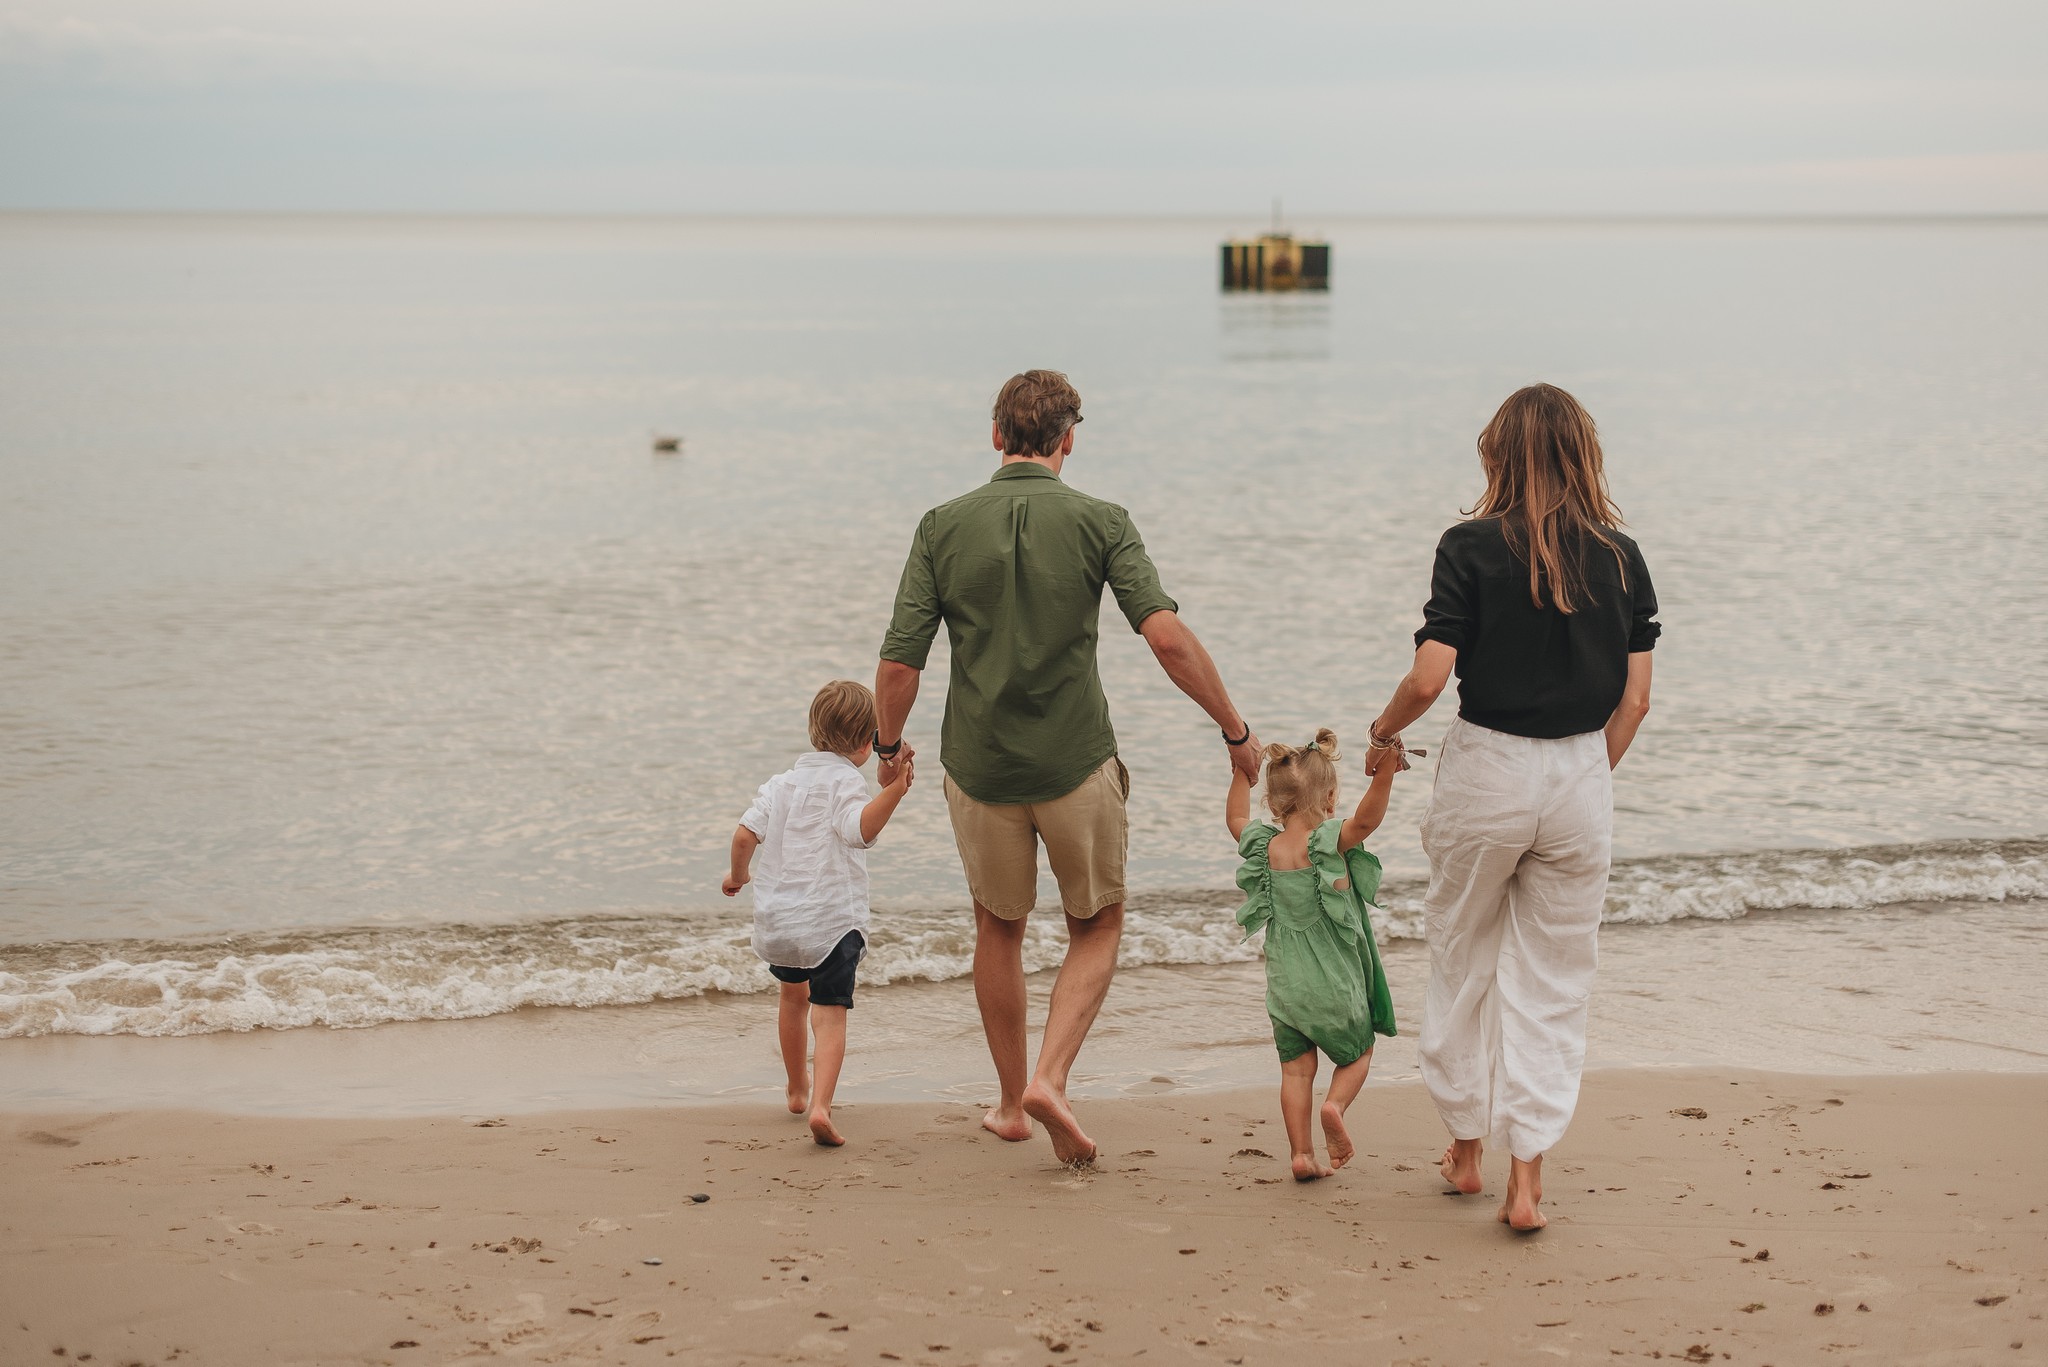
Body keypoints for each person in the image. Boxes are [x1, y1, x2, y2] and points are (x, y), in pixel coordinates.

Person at [875, 369, 1262, 1165]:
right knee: (1097, 924)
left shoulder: (941, 525)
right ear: (1068, 438)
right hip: (1077, 763)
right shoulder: (1100, 520)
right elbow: (1166, 638)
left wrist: (886, 749)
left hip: (980, 769)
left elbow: (898, 668)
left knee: (998, 926)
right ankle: (1052, 1076)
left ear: (996, 437)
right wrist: (1234, 729)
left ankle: (1015, 1105)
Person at [1365, 382, 1659, 1232]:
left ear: (1498, 452)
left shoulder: (1468, 545)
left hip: (1488, 765)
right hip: (1579, 775)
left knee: (1462, 956)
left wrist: (1383, 729)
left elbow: (1429, 676)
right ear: (1584, 453)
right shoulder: (1622, 554)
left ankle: (1466, 1149)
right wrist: (1580, 773)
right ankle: (1527, 1180)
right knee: (1554, 980)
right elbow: (1636, 702)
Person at [722, 680, 915, 1147]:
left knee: (792, 1001)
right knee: (829, 1014)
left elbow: (745, 834)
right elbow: (858, 830)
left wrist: (738, 876)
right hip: (830, 924)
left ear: (814, 731)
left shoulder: (780, 784)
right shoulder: (847, 782)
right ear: (868, 742)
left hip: (781, 923)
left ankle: (795, 1088)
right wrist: (897, 790)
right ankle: (822, 1107)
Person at [1227, 730, 1400, 1182]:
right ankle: (1335, 1106)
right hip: (1336, 985)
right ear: (1328, 797)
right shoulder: (1328, 843)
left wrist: (1238, 775)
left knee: (1296, 1073)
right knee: (1359, 1053)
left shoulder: (1264, 847)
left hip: (1287, 990)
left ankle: (1301, 1154)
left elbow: (1234, 819)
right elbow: (1366, 821)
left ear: (1273, 802)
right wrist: (1385, 773)